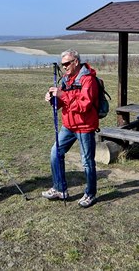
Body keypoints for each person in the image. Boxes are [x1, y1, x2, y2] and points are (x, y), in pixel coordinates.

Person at [42, 49, 99, 208]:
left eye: (67, 63)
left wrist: (62, 95)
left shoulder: (88, 80)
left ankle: (90, 194)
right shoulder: (66, 80)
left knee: (87, 162)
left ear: (76, 62)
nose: (64, 67)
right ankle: (60, 189)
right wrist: (53, 99)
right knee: (55, 152)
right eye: (62, 64)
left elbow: (84, 105)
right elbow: (61, 104)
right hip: (69, 125)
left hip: (84, 126)